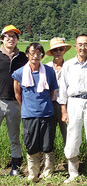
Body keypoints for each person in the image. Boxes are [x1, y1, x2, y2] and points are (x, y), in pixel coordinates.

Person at [58, 33, 87, 184]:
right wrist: (63, 110)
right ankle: (73, 173)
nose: (83, 47)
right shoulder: (68, 65)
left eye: (86, 44)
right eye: (80, 44)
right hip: (73, 103)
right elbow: (62, 90)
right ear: (75, 46)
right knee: (72, 137)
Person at [12, 43, 58, 182]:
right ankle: (33, 173)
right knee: (31, 144)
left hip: (47, 113)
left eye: (39, 54)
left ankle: (48, 172)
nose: (35, 56)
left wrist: (42, 105)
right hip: (29, 115)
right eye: (32, 53)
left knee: (47, 144)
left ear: (42, 56)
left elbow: (51, 93)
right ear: (27, 54)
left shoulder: (49, 72)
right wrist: (27, 106)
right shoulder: (20, 73)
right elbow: (17, 93)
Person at [0, 25, 28, 176]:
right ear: (2, 39)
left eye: (14, 36)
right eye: (7, 36)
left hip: (15, 102)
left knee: (14, 136)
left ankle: (15, 167)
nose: (11, 39)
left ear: (17, 39)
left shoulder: (23, 57)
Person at [45, 37, 72, 145]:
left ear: (64, 50)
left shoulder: (70, 67)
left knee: (68, 134)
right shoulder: (46, 67)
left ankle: (70, 159)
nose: (58, 52)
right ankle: (49, 159)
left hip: (66, 105)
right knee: (48, 133)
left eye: (61, 49)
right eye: (55, 50)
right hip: (50, 105)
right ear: (51, 52)